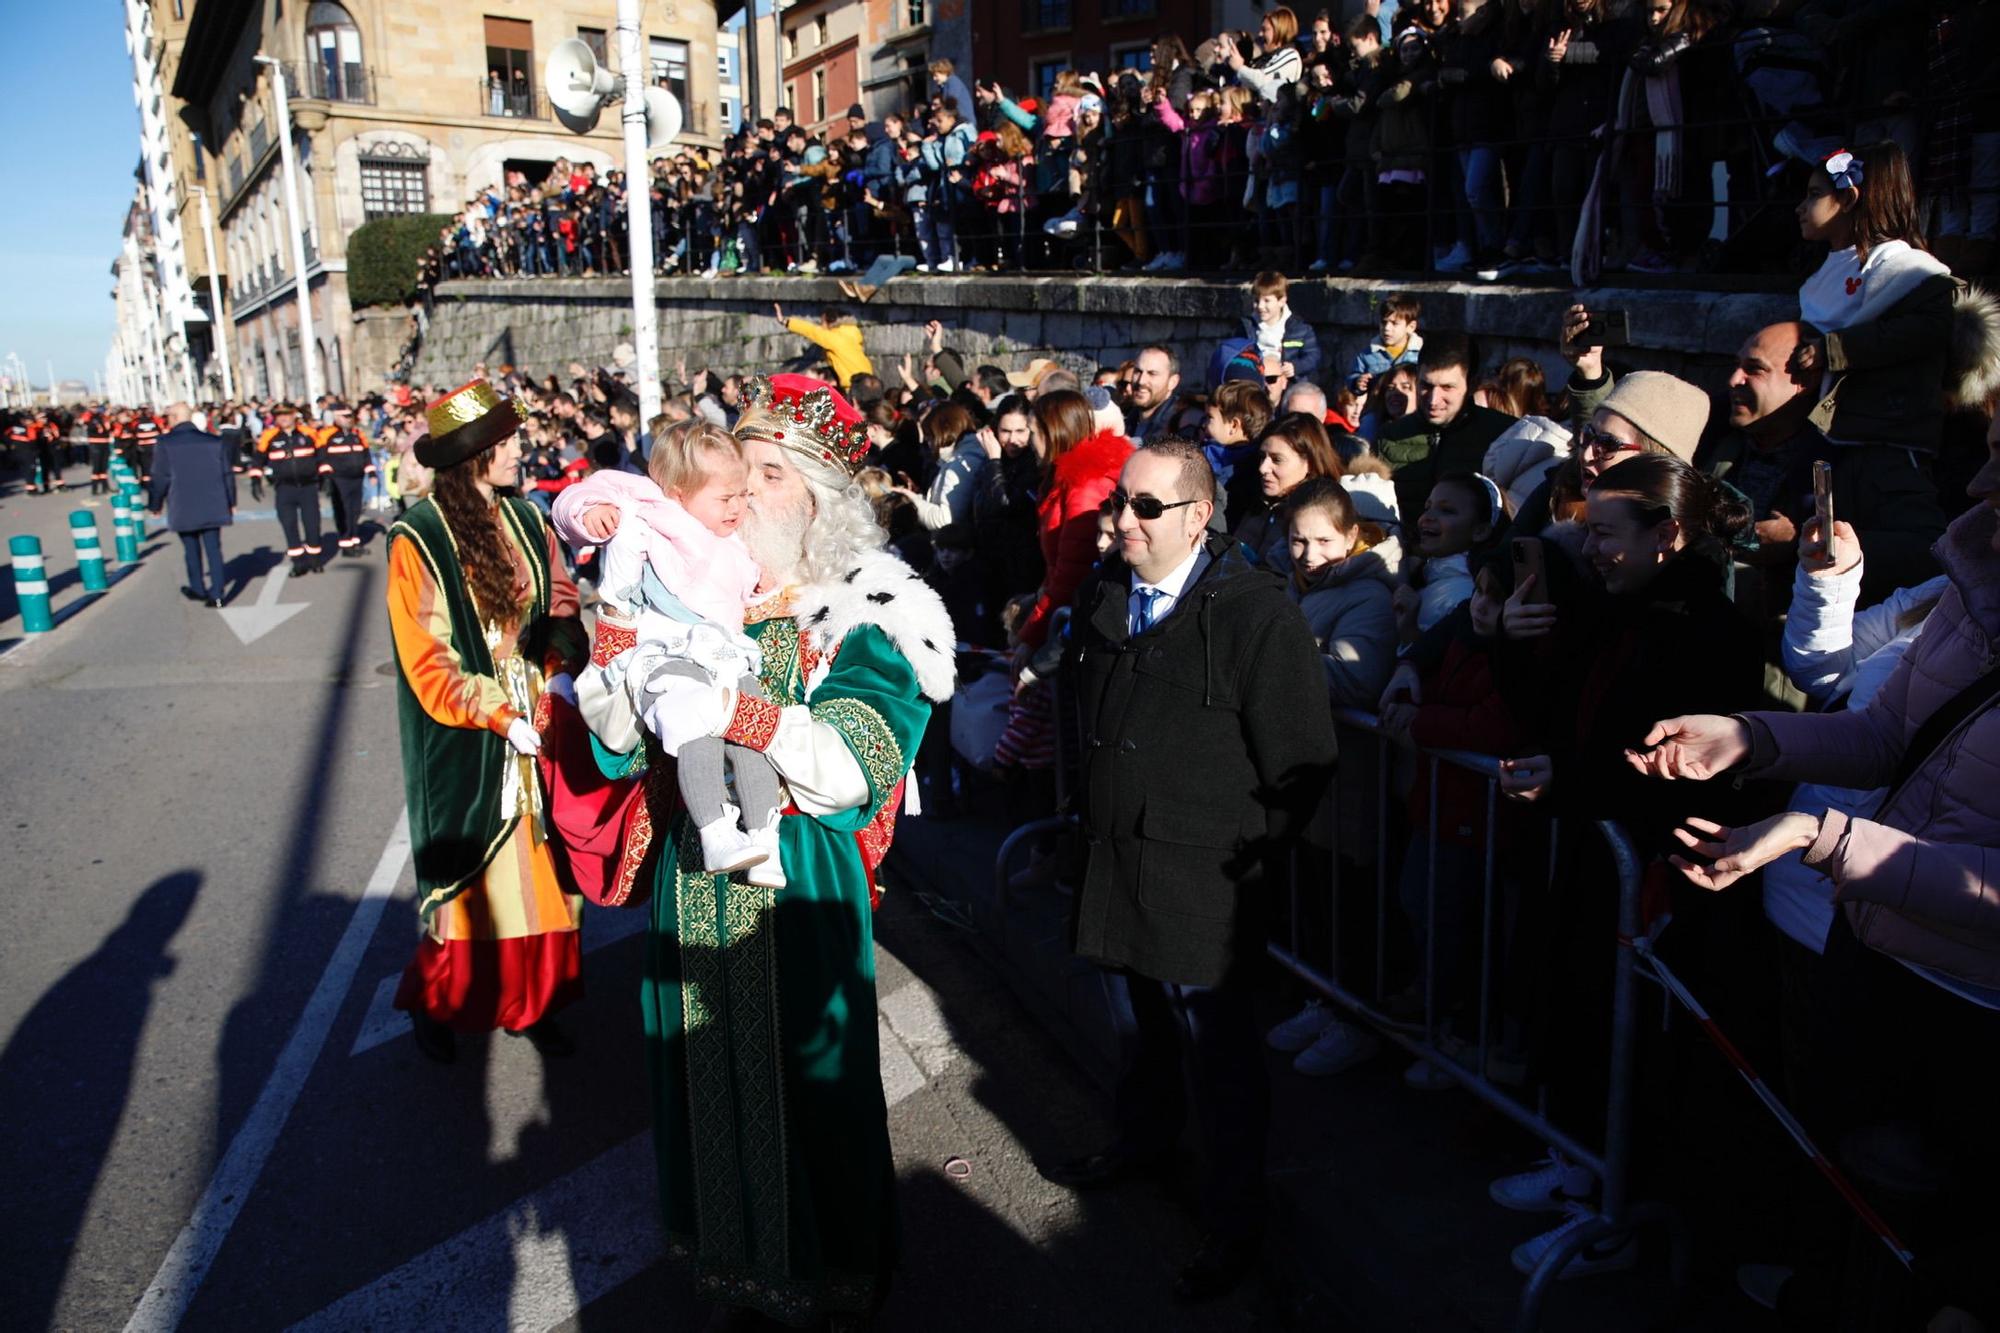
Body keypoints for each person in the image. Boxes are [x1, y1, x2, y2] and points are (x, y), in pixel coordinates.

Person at [575, 373, 954, 1326]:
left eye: (770, 474)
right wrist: (618, 656)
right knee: (702, 1079)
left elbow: (851, 765)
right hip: (695, 875)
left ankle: (833, 1282)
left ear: (820, 496)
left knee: (811, 1089)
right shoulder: (693, 591)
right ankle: (736, 1274)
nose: (744, 494)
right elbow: (618, 745)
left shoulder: (874, 609)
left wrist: (730, 709)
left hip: (799, 885)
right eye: (738, 472)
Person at [1632, 415, 2000, 1324]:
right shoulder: (1974, 582)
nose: (1979, 481)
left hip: (1975, 1018)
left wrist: (1824, 838)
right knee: (1844, 1208)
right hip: (1872, 959)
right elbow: (1884, 737)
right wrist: (1748, 737)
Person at [1050, 438, 1336, 1305]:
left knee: (1220, 1065)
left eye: (1146, 506)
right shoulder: (1106, 592)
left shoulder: (1257, 616)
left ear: (1199, 516)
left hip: (1202, 887)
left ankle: (1233, 1221)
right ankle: (1143, 1143)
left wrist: (1234, 855)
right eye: (1119, 502)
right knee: (1137, 1032)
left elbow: (1301, 765)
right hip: (1113, 860)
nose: (1124, 520)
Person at [386, 380, 589, 1064]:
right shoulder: (418, 537)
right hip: (473, 732)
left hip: (541, 709)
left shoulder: (529, 518)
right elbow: (427, 656)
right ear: (476, 453)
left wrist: (559, 666)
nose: (519, 451)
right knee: (479, 882)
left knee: (549, 870)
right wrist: (498, 713)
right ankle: (436, 1003)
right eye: (507, 442)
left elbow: (562, 601)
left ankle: (537, 1002)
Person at [552, 421, 783, 882]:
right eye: (726, 498)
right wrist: (593, 512)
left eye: (743, 496)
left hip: (727, 654)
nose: (738, 507)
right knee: (694, 726)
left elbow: (738, 591)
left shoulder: (735, 539)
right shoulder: (647, 508)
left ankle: (764, 837)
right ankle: (716, 832)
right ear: (679, 493)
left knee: (755, 733)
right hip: (670, 650)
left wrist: (762, 586)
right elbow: (577, 498)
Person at [1378, 331, 1517, 520]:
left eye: (1447, 387)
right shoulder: (1389, 437)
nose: (1433, 400)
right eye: (1426, 386)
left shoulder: (1504, 436)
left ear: (1472, 385)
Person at [147, 402, 236, 608]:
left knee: (190, 548)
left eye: (169, 417)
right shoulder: (213, 441)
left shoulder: (166, 443)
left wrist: (155, 504)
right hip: (213, 501)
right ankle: (218, 593)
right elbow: (227, 474)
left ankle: (198, 587)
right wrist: (231, 501)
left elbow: (160, 477)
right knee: (214, 548)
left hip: (183, 502)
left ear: (175, 418)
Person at [258, 403, 327, 577]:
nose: (283, 418)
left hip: (308, 487)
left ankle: (315, 560)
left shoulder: (309, 433)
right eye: (279, 415)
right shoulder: (269, 436)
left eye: (286, 414)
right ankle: (298, 563)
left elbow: (322, 457)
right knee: (289, 525)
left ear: (294, 415)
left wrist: (325, 478)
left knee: (312, 524)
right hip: (284, 488)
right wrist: (255, 479)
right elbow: (258, 459)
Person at [317, 401, 378, 558]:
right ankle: (346, 544)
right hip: (339, 479)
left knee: (355, 510)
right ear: (336, 417)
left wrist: (372, 473)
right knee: (343, 511)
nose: (349, 419)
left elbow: (366, 455)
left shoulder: (357, 434)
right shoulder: (326, 434)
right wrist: (326, 478)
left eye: (350, 416)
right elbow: (321, 457)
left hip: (357, 478)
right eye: (345, 416)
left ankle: (354, 540)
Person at [773, 302, 873, 388]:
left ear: (829, 321)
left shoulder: (834, 338)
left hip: (855, 383)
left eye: (822, 322)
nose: (821, 326)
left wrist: (785, 321)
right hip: (869, 377)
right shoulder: (850, 333)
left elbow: (812, 331)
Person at [1346, 292, 1423, 394]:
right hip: (1378, 403)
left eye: (1394, 323)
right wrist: (1357, 382)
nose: (1387, 328)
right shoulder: (1368, 354)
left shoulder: (1422, 353)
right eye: (1384, 322)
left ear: (1411, 327)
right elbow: (1352, 376)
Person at [1124, 345, 1183, 444]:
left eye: (1152, 374)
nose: (1141, 381)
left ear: (1172, 382)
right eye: (1138, 372)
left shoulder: (1178, 427)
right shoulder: (1127, 422)